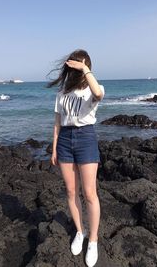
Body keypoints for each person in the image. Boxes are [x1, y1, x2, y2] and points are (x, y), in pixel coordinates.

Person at [46, 49, 105, 267]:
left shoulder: (92, 89)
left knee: (90, 193)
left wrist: (86, 69)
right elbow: (57, 123)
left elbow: (98, 94)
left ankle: (93, 240)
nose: (74, 69)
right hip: (65, 142)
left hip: (86, 138)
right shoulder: (62, 93)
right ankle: (80, 232)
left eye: (78, 65)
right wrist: (54, 149)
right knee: (71, 191)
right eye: (74, 65)